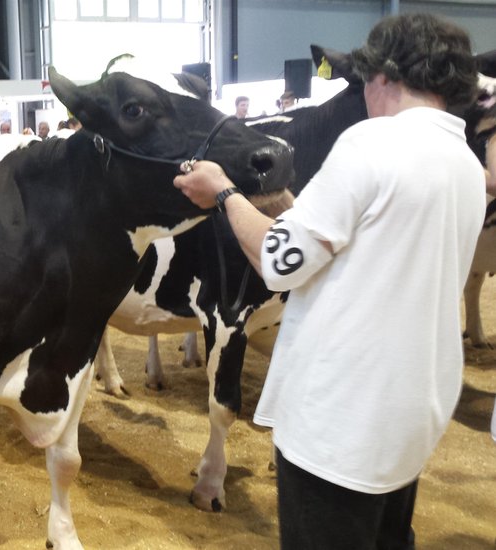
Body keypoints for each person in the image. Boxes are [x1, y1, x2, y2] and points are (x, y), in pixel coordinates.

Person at [172, 13, 483, 548]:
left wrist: (225, 193)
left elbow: (278, 261)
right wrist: (291, 211)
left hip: (342, 425)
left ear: (382, 76)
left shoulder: (372, 145)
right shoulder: (465, 165)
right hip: (409, 416)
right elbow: (366, 250)